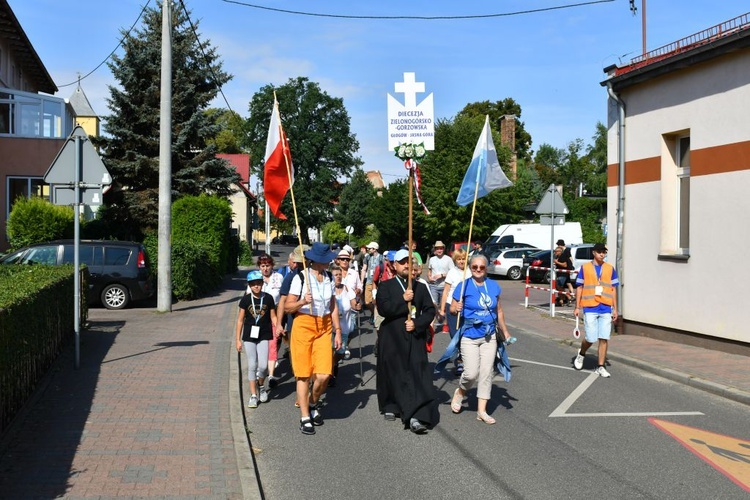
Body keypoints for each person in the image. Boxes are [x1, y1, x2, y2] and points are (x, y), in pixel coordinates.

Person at [376, 248, 436, 434]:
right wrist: (403, 300)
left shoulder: (421, 287)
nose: (407, 265)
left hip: (414, 337)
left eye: (409, 262)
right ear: (394, 265)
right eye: (402, 262)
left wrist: (417, 323)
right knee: (392, 373)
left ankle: (416, 415)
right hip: (392, 338)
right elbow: (383, 309)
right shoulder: (386, 286)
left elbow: (430, 311)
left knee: (417, 375)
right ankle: (391, 405)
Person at [284, 243, 343, 435]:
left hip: (324, 326)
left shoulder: (328, 277)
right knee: (303, 374)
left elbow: (332, 304)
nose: (329, 262)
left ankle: (311, 402)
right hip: (303, 325)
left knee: (324, 374)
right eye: (325, 259)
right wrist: (302, 301)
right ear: (316, 260)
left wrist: (338, 330)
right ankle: (304, 416)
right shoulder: (300, 278)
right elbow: (287, 307)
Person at [449, 254, 513, 424]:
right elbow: (452, 310)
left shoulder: (493, 286)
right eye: (474, 267)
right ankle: (460, 392)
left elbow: (498, 310)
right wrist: (457, 307)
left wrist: (505, 331)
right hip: (469, 335)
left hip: (489, 336)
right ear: (470, 268)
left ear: (486, 268)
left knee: (486, 373)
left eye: (481, 267)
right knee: (470, 373)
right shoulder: (463, 286)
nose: (478, 270)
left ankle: (481, 411)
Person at [573, 243, 619, 378]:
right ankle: (581, 354)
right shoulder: (585, 268)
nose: (602, 254)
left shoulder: (610, 268)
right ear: (594, 253)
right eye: (599, 252)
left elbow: (613, 289)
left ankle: (600, 366)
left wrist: (615, 309)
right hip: (590, 306)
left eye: (604, 252)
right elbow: (579, 287)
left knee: (604, 338)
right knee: (590, 338)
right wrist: (577, 307)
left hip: (605, 307)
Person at [236, 270, 278, 408]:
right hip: (249, 336)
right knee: (252, 365)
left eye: (259, 283)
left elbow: (273, 316)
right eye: (253, 284)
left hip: (264, 334)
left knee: (263, 366)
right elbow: (240, 320)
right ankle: (253, 395)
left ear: (262, 283)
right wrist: (237, 339)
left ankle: (261, 385)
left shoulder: (268, 298)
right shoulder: (246, 299)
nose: (256, 286)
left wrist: (278, 326)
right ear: (249, 285)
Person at [271, 244, 309, 388]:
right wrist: (279, 323)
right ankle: (302, 386)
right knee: (299, 357)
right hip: (296, 323)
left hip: (317, 324)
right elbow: (282, 302)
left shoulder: (322, 276)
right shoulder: (292, 277)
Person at [439, 248, 468, 374]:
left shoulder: (470, 272)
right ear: (455, 261)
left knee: (466, 335)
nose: (461, 261)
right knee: (455, 334)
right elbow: (446, 291)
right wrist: (442, 309)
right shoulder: (452, 272)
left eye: (463, 259)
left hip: (467, 307)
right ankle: (458, 359)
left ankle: (464, 360)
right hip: (452, 306)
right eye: (459, 259)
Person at [330, 264, 357, 386]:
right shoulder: (329, 289)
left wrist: (357, 306)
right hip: (330, 328)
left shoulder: (347, 289)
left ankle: (334, 364)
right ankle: (330, 373)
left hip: (344, 327)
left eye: (340, 274)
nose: (338, 277)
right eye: (336, 275)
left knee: (340, 352)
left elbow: (353, 303)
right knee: (329, 351)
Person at [336, 248, 362, 359]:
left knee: (351, 328)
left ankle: (345, 344)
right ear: (338, 260)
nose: (345, 261)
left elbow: (360, 286)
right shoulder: (334, 273)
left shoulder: (354, 273)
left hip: (352, 303)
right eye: (342, 259)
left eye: (347, 259)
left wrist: (358, 291)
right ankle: (339, 349)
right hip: (338, 305)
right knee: (338, 327)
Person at [428, 241, 454, 330]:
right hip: (434, 285)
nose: (439, 250)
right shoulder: (432, 259)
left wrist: (442, 275)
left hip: (445, 286)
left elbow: (452, 272)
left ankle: (445, 325)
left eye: (441, 248)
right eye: (437, 248)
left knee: (445, 305)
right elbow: (429, 271)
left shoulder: (448, 259)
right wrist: (429, 277)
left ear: (443, 249)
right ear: (435, 249)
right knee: (433, 305)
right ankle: (431, 326)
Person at [361, 241, 383, 324]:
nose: (368, 249)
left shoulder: (381, 258)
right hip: (369, 281)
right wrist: (361, 281)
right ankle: (373, 313)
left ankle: (377, 317)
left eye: (370, 248)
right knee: (367, 302)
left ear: (374, 249)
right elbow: (364, 269)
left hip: (379, 282)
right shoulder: (367, 257)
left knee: (377, 301)